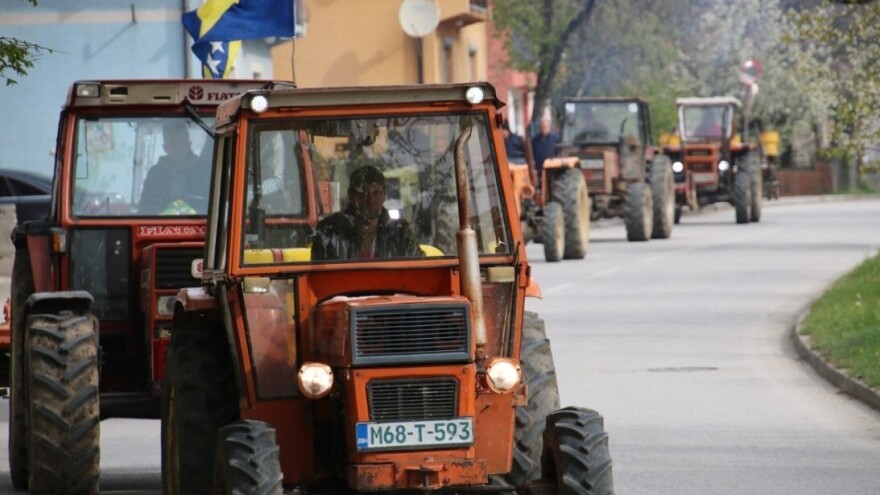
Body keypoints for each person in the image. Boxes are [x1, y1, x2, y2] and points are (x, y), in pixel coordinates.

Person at [311, 165, 423, 261]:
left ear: (384, 195)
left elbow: (418, 274)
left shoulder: (401, 234)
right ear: (350, 195)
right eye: (363, 193)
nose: (370, 201)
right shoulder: (329, 231)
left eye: (376, 193)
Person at [140, 121, 210, 214]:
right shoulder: (155, 174)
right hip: (162, 226)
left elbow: (215, 205)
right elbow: (145, 208)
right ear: (165, 147)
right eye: (172, 143)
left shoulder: (205, 171)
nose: (177, 147)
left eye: (181, 142)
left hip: (201, 225)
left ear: (189, 144)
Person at [530, 117, 560, 184]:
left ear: (549, 127)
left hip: (552, 168)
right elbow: (532, 154)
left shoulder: (555, 139)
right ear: (539, 128)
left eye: (545, 127)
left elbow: (558, 152)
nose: (544, 129)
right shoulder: (535, 140)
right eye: (542, 127)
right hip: (539, 168)